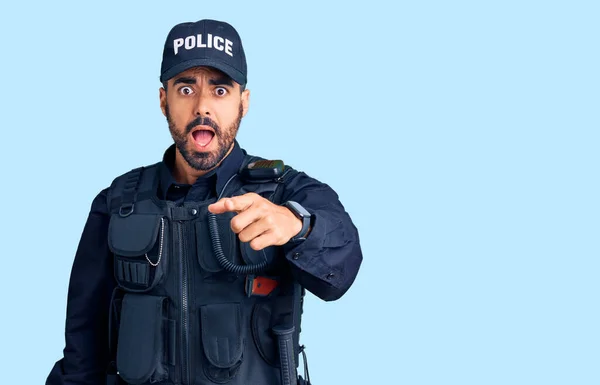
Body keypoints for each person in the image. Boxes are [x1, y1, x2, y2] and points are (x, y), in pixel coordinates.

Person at [46, 18, 362, 385]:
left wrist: (299, 226)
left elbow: (342, 266)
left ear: (244, 101)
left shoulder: (285, 192)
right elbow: (83, 344)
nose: (202, 107)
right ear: (163, 100)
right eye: (185, 89)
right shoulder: (119, 201)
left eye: (220, 90)